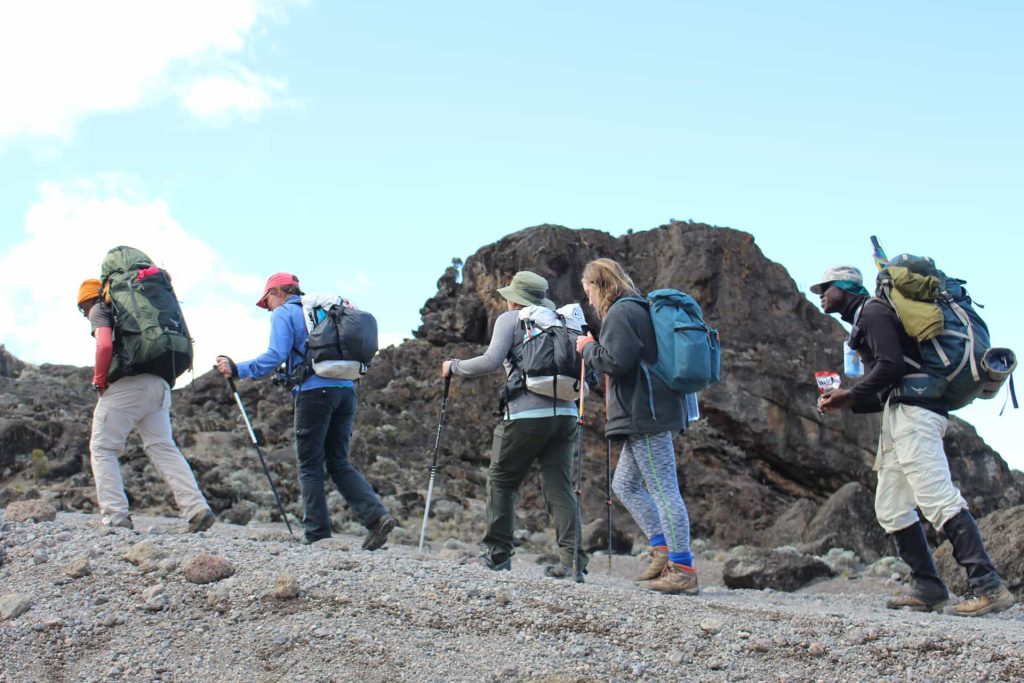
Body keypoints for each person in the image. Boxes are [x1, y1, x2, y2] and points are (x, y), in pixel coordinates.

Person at [814, 265, 1015, 617]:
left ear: (846, 287)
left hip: (916, 415)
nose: (821, 294)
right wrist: (847, 400)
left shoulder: (873, 311)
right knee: (890, 508)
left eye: (826, 287)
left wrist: (847, 396)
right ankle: (928, 589)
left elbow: (890, 366)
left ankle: (988, 586)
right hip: (900, 414)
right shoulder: (866, 319)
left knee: (938, 497)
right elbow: (892, 375)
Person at [216, 273, 395, 549]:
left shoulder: (285, 314)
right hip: (347, 390)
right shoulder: (324, 312)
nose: (269, 308)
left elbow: (274, 356)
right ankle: (376, 518)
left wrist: (238, 369)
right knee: (338, 461)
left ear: (277, 292)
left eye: (267, 301)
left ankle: (316, 534)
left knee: (310, 464)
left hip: (314, 394)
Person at [442, 271, 587, 580]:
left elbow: (490, 361)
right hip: (566, 415)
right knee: (560, 487)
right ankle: (573, 562)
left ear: (514, 298)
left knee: (502, 481)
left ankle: (497, 556)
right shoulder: (561, 321)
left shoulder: (511, 319)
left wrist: (453, 367)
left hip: (524, 415)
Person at [575, 258, 697, 595]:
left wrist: (587, 348)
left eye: (589, 291)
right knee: (625, 484)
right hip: (649, 410)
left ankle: (683, 569)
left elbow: (617, 362)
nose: (589, 300)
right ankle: (662, 552)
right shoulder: (637, 309)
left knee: (663, 489)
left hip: (646, 413)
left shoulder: (621, 313)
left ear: (599, 285)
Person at [77, 278, 214, 533]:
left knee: (102, 447)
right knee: (162, 446)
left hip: (128, 385)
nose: (85, 314)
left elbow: (104, 344)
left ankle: (115, 516)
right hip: (160, 385)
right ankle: (196, 508)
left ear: (86, 301)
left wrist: (99, 381)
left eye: (82, 309)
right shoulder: (136, 308)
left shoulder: (99, 308)